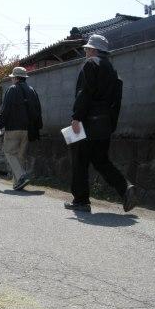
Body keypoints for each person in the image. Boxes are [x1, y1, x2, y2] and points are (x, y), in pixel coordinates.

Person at [65, 34, 137, 213]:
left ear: (94, 50)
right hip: (104, 125)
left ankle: (81, 201)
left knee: (80, 160)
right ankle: (125, 188)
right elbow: (116, 102)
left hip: (87, 122)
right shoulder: (113, 71)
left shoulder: (91, 64)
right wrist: (111, 124)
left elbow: (85, 93)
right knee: (101, 161)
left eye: (87, 49)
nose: (86, 52)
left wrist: (76, 117)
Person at [0, 66, 43, 191]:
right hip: (28, 129)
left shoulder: (12, 89)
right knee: (20, 156)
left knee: (9, 152)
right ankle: (18, 183)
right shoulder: (32, 90)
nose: (12, 80)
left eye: (12, 78)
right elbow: (38, 110)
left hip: (13, 128)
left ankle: (21, 176)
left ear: (16, 78)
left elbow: (5, 109)